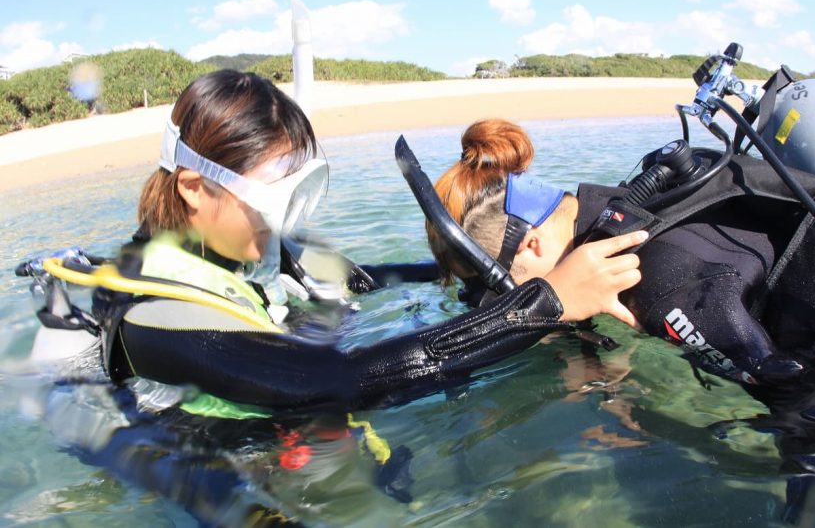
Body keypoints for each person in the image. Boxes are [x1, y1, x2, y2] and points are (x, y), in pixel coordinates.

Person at [83, 70, 646, 412]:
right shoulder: (153, 314)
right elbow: (337, 382)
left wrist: (477, 269)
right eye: (270, 198)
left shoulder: (251, 252)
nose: (283, 220)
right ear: (193, 187)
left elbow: (371, 281)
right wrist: (545, 303)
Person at [425, 118, 815, 395]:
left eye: (493, 285)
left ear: (532, 244)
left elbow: (788, 386)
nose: (496, 297)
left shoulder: (657, 287)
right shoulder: (626, 202)